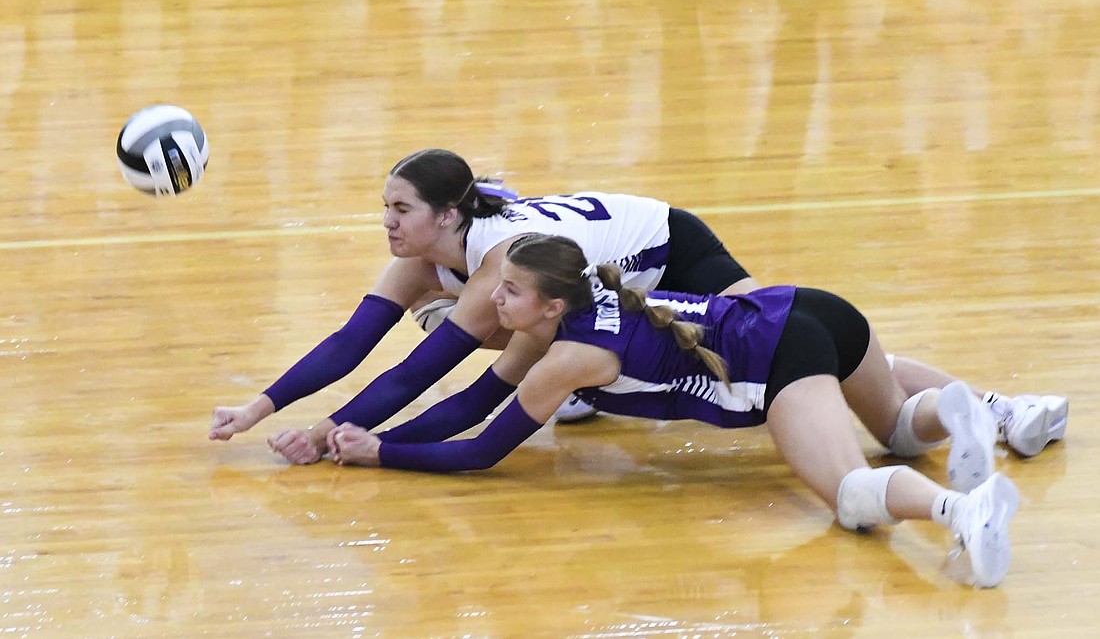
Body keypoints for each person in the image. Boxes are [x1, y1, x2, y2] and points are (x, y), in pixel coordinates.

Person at [209, 148, 1067, 463]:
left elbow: (420, 376)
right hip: (588, 287)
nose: (386, 225)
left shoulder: (495, 265)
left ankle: (993, 405)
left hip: (667, 250)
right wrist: (260, 406)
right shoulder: (421, 262)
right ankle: (590, 388)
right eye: (384, 211)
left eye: (399, 210)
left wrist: (338, 436)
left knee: (790, 359)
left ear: (449, 217)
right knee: (568, 373)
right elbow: (350, 343)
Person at [319, 234, 1027, 588]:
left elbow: (479, 446)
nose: (491, 302)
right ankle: (955, 410)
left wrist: (380, 452)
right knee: (900, 426)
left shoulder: (566, 358)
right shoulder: (575, 312)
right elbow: (477, 395)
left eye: (507, 293)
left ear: (551, 306)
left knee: (849, 494)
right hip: (809, 306)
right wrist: (370, 434)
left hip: (778, 349)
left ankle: (960, 512)